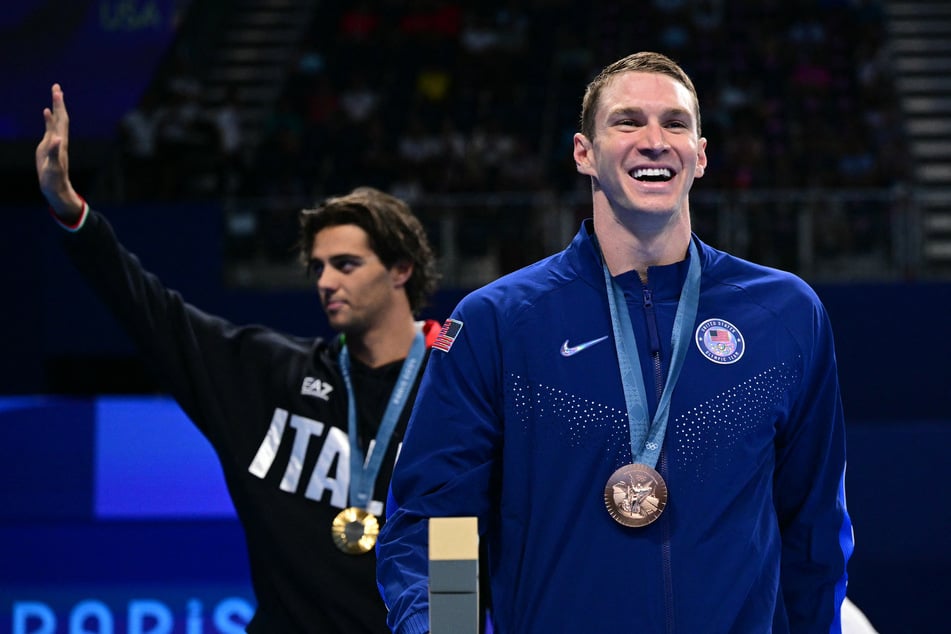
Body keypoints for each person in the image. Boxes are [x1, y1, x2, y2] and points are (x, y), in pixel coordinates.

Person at [377, 51, 853, 633]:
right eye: (627, 122)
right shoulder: (498, 323)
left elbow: (813, 529)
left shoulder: (784, 314)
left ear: (700, 156)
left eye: (675, 124)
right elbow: (440, 524)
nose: (654, 141)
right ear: (584, 153)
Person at [36, 83, 441, 633]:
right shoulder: (268, 375)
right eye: (317, 268)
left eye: (345, 264)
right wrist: (74, 214)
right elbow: (155, 314)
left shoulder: (454, 387)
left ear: (400, 269)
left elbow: (487, 535)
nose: (325, 282)